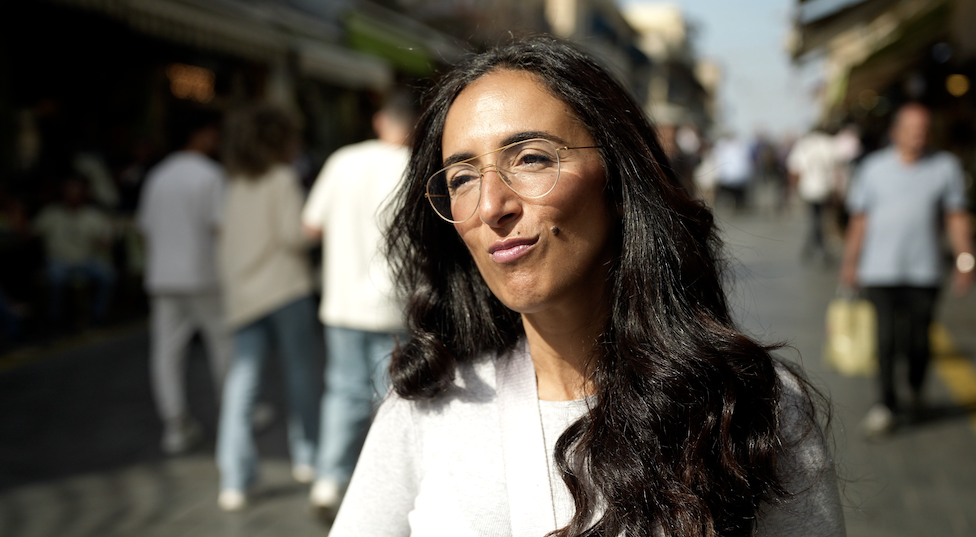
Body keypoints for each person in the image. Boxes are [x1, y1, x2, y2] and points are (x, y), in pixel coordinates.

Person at [330, 36, 845, 536]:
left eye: (530, 158)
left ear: (618, 181)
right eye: (462, 177)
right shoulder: (428, 407)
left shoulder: (751, 408)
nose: (491, 206)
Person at [301, 88, 416, 512]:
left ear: (380, 121)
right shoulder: (414, 169)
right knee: (394, 398)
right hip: (398, 304)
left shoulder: (342, 161)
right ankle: (390, 492)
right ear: (415, 126)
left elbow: (310, 227)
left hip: (342, 301)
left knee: (342, 391)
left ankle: (328, 481)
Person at [840, 102, 973, 437]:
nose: (919, 135)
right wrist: (850, 263)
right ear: (895, 132)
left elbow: (955, 216)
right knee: (884, 340)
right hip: (879, 271)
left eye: (924, 129)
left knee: (919, 339)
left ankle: (915, 387)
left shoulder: (945, 167)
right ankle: (886, 404)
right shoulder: (872, 169)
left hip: (925, 272)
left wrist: (965, 259)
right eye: (912, 129)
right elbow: (859, 219)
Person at [213, 104, 322, 510]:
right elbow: (293, 237)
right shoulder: (281, 178)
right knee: (300, 377)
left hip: (244, 295)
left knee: (242, 385)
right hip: (284, 288)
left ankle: (234, 479)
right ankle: (308, 458)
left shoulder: (234, 183)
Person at [137, 108, 232, 455]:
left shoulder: (157, 177)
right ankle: (233, 414)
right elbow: (221, 229)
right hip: (204, 275)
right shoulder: (210, 175)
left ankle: (175, 424)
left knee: (166, 353)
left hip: (163, 277)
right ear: (201, 134)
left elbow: (145, 230)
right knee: (222, 346)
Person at [33, 175, 115, 327]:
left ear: (83, 193)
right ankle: (55, 318)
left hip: (86, 261)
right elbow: (32, 233)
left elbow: (107, 240)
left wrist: (102, 242)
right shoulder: (51, 213)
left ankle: (99, 315)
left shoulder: (93, 215)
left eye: (76, 191)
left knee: (107, 275)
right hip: (59, 262)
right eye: (69, 191)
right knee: (55, 278)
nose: (72, 194)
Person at [787, 128, 838, 264]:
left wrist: (792, 189)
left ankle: (815, 248)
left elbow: (795, 168)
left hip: (808, 189)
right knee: (818, 217)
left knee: (815, 218)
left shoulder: (803, 145)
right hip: (825, 187)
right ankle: (815, 248)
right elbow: (836, 168)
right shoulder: (829, 144)